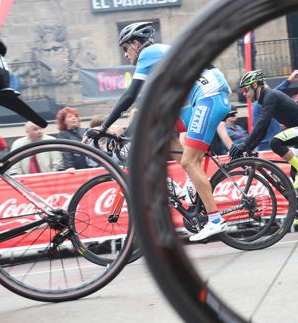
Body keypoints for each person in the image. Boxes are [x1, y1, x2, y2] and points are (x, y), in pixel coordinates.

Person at [84, 21, 232, 242]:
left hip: (209, 97)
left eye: (125, 48)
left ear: (135, 43)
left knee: (188, 163)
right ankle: (188, 188)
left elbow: (130, 96)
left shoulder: (149, 54)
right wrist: (127, 132)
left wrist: (104, 127)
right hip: (209, 95)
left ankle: (215, 220)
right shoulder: (160, 55)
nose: (125, 55)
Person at [230, 70, 298, 189]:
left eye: (246, 90)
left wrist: (244, 144)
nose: (245, 94)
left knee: (275, 142)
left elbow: (262, 124)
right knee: (295, 174)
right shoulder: (265, 100)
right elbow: (262, 131)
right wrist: (248, 148)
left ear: (255, 85)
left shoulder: (270, 96)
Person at [252, 70, 298, 150]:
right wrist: (289, 81)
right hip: (267, 146)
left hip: (273, 143)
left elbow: (295, 102)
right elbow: (276, 92)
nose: (267, 87)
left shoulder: (266, 102)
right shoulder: (260, 103)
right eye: (264, 85)